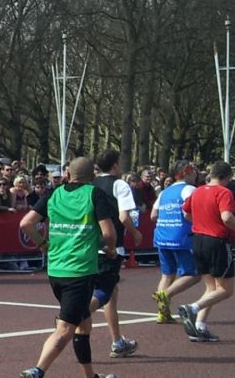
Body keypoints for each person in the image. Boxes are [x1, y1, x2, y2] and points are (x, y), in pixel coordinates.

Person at [16, 156, 120, 378]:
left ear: (68, 174)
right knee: (65, 328)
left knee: (84, 325)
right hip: (80, 271)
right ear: (92, 175)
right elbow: (107, 232)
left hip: (56, 269)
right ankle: (38, 372)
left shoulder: (54, 194)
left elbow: (26, 223)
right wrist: (111, 249)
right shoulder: (94, 195)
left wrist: (43, 245)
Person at [178, 160, 235, 343]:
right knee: (226, 290)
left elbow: (185, 212)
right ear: (227, 177)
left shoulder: (198, 190)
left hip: (198, 240)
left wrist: (202, 220)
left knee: (211, 288)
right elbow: (227, 217)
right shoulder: (224, 192)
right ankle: (193, 308)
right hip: (216, 241)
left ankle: (200, 326)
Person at [91, 150, 139, 358]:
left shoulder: (90, 184)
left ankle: (117, 340)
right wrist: (135, 232)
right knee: (105, 293)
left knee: (110, 292)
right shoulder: (120, 185)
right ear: (115, 165)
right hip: (111, 244)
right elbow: (123, 216)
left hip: (90, 244)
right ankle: (73, 317)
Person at [150, 162, 200, 323]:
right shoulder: (189, 190)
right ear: (186, 173)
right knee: (193, 274)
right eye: (193, 172)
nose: (196, 175)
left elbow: (153, 215)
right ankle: (166, 294)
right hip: (181, 237)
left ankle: (162, 313)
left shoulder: (165, 192)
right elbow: (190, 211)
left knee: (167, 274)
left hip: (162, 236)